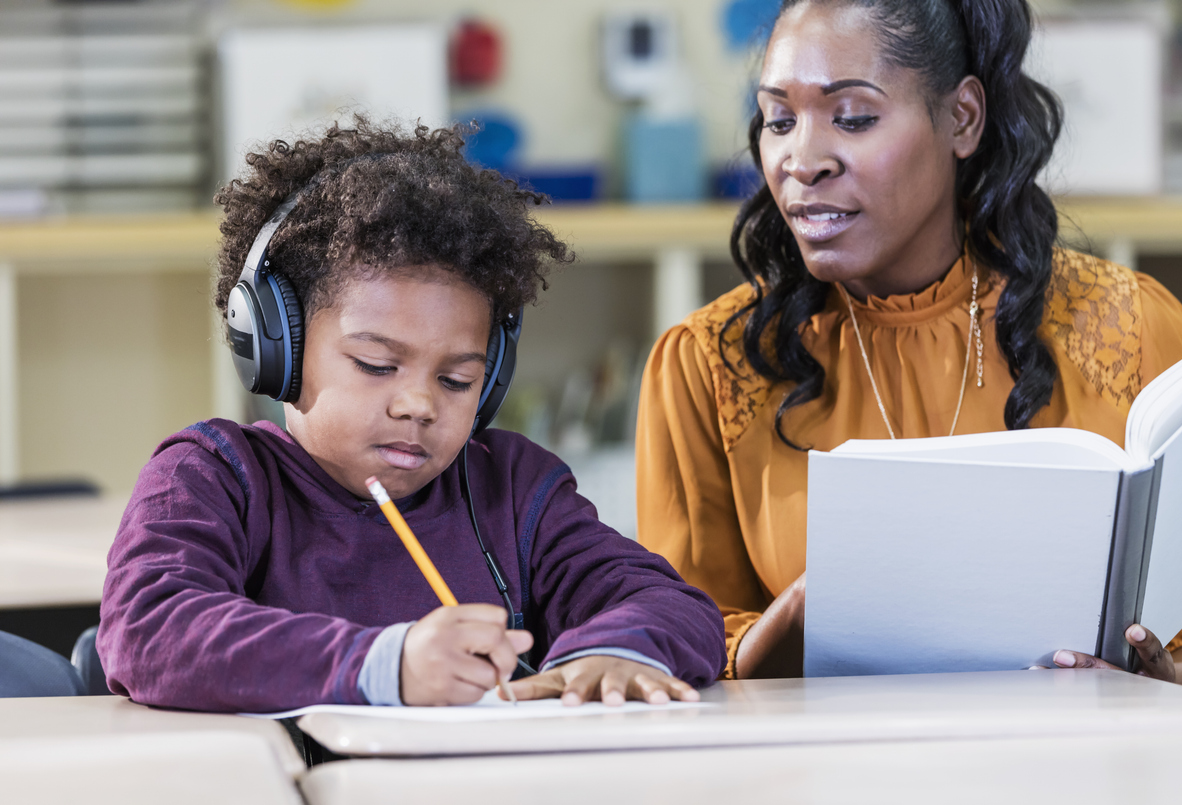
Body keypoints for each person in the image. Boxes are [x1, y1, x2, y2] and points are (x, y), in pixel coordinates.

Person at [635, 0, 1182, 701]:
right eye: (779, 119)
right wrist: (802, 614)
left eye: (852, 117)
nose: (803, 160)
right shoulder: (707, 364)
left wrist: (1156, 682)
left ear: (962, 119)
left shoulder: (1128, 325)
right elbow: (677, 657)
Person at [98, 120, 726, 712]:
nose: (419, 405)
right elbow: (148, 630)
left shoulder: (513, 490)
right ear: (275, 348)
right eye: (376, 364)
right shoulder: (215, 477)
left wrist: (614, 654)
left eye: (457, 379)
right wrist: (386, 666)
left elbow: (672, 603)